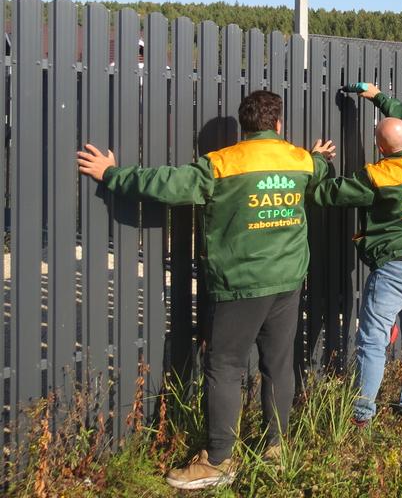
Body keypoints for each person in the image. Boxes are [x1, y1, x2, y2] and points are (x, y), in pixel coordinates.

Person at [77, 90, 334, 491]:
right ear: (278, 124)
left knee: (225, 367)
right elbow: (320, 170)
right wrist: (319, 156)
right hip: (288, 281)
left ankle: (217, 461)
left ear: (244, 127)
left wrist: (111, 174)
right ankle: (276, 449)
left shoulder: (220, 164)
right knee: (277, 365)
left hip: (242, 284)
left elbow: (164, 184)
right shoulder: (298, 160)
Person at [313, 82, 402, 427]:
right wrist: (379, 97)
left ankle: (361, 414)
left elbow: (326, 193)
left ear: (380, 148)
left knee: (372, 340)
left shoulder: (379, 177)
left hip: (397, 269)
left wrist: (319, 161)